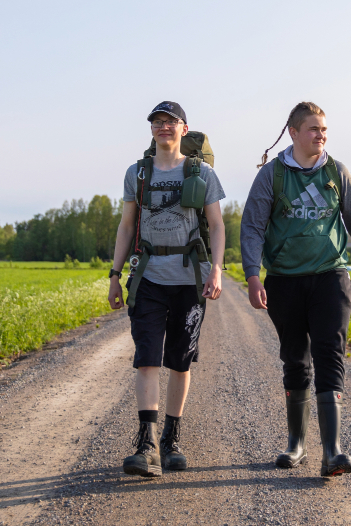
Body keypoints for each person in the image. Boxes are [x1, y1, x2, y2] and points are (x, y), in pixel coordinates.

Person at [240, 101, 351, 477]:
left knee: (329, 354)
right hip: (284, 280)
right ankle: (296, 444)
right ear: (294, 132)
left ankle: (332, 451)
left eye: (324, 130)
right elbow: (252, 226)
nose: (321, 136)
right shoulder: (272, 175)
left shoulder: (336, 172)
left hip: (330, 277)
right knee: (295, 359)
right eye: (314, 129)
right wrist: (252, 275)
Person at [108, 101, 226, 478]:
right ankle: (147, 445)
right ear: (152, 130)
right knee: (147, 357)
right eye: (157, 122)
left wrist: (216, 269)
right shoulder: (137, 173)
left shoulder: (201, 172)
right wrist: (114, 274)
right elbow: (127, 226)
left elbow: (217, 225)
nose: (163, 127)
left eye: (170, 122)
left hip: (190, 280)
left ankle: (171, 441)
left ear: (183, 128)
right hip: (148, 278)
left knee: (180, 360)